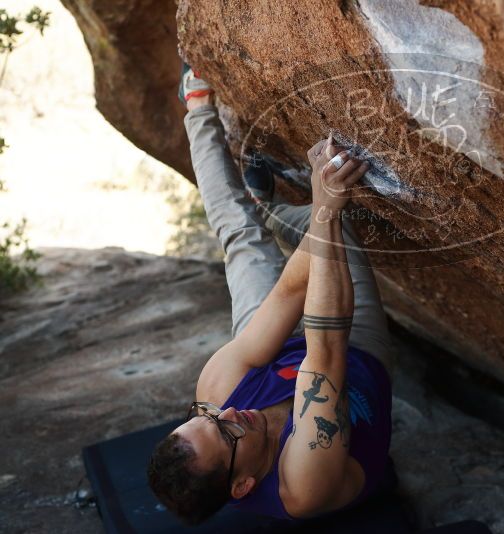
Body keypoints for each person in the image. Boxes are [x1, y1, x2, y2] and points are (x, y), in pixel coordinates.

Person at [147, 63, 395, 524]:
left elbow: (286, 294)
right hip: (354, 351)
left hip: (285, 346)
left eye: (204, 416)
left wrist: (324, 205)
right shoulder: (302, 484)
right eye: (226, 432)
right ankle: (282, 213)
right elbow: (326, 350)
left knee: (242, 236)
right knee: (340, 231)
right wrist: (325, 210)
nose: (233, 412)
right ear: (241, 485)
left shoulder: (217, 396)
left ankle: (198, 107)